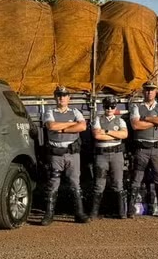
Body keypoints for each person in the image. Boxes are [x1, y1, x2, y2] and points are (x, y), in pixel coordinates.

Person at [39, 86, 89, 226]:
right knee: (53, 184)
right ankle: (49, 215)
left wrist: (63, 129)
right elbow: (51, 126)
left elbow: (83, 126)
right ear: (55, 97)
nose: (62, 98)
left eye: (64, 95)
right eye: (59, 95)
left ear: (69, 98)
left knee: (75, 183)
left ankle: (79, 213)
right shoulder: (49, 112)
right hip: (56, 154)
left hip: (72, 153)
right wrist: (72, 124)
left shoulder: (75, 112)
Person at [128, 81, 158, 218]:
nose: (149, 92)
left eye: (152, 90)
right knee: (136, 178)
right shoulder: (136, 107)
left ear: (156, 91)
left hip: (157, 148)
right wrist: (155, 121)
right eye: (147, 90)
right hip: (142, 148)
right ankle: (130, 209)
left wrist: (146, 118)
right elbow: (136, 125)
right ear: (143, 91)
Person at [90, 96, 128, 219]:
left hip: (117, 154)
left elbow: (124, 134)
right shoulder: (98, 119)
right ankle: (94, 212)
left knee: (118, 182)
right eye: (107, 106)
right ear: (103, 107)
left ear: (115, 107)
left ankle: (121, 212)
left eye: (112, 106)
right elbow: (97, 135)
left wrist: (106, 132)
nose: (109, 109)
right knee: (99, 184)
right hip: (102, 154)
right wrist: (115, 135)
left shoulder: (120, 121)